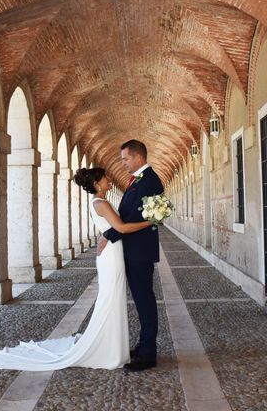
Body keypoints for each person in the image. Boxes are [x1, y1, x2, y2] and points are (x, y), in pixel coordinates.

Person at [0, 167, 151, 371]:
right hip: (111, 256)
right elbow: (122, 228)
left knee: (112, 298)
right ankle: (108, 349)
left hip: (112, 253)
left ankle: (114, 347)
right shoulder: (101, 203)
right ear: (97, 183)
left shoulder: (98, 202)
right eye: (105, 177)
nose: (109, 179)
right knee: (110, 298)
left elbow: (114, 229)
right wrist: (150, 221)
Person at [99, 139, 164, 372]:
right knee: (141, 301)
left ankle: (148, 355)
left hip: (140, 252)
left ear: (138, 157)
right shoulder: (140, 180)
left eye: (126, 158)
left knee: (145, 302)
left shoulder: (149, 181)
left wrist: (109, 235)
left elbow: (134, 219)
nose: (123, 163)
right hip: (135, 250)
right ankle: (144, 346)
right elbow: (131, 214)